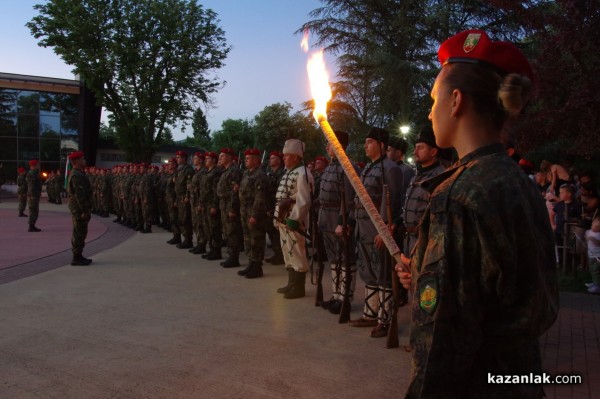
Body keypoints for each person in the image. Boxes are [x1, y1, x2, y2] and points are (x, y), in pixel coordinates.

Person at [395, 29, 558, 398]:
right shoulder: (516, 179)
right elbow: (497, 287)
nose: (429, 109)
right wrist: (424, 272)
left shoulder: (457, 196)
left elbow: (441, 342)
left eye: (434, 98)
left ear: (455, 101)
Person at [349, 127, 404, 338]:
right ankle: (371, 313)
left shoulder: (390, 168)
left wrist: (384, 230)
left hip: (378, 230)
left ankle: (385, 319)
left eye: (370, 141)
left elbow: (391, 202)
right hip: (363, 228)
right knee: (368, 272)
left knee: (383, 275)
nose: (365, 145)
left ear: (381, 145)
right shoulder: (368, 169)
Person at [317, 130, 358, 314]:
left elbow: (349, 199)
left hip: (338, 218)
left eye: (330, 144)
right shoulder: (330, 167)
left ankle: (345, 299)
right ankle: (336, 295)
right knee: (334, 259)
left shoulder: (348, 167)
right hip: (326, 218)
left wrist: (344, 221)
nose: (327, 147)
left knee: (345, 259)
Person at [274, 139, 314, 299]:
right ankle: (291, 283)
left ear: (296, 157)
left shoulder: (304, 173)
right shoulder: (289, 172)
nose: (284, 158)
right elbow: (281, 197)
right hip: (283, 220)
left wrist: (295, 218)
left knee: (297, 252)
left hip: (294, 221)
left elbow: (304, 199)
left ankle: (299, 288)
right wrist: (277, 218)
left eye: (287, 156)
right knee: (287, 251)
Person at [400, 126, 446, 256]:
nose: (415, 152)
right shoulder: (416, 176)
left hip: (426, 244)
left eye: (420, 147)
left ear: (433, 152)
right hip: (409, 240)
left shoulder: (440, 176)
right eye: (415, 147)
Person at [237, 148, 269, 278]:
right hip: (245, 211)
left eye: (248, 158)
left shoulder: (260, 175)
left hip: (254, 212)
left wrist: (254, 215)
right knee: (248, 239)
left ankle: (257, 267)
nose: (246, 160)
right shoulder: (246, 173)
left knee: (256, 239)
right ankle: (251, 263)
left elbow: (260, 197)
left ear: (256, 160)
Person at [217, 148, 243, 268]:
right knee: (227, 231)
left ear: (229, 157)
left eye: (222, 156)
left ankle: (234, 257)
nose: (220, 158)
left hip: (230, 205)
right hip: (224, 204)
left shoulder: (233, 171)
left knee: (232, 231)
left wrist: (232, 208)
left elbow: (234, 192)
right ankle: (231, 255)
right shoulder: (226, 171)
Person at [67, 152, 93, 266]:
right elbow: (80, 196)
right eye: (83, 159)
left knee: (79, 232)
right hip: (79, 210)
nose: (85, 160)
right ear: (77, 161)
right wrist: (84, 211)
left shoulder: (78, 173)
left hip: (77, 209)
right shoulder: (77, 175)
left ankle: (78, 255)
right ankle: (76, 257)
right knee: (79, 233)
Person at [264, 151, 285, 265]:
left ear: (278, 160)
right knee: (270, 230)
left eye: (273, 158)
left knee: (276, 231)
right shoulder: (268, 173)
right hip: (268, 205)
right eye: (270, 158)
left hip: (276, 205)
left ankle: (280, 254)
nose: (270, 160)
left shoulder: (281, 173)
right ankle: (276, 252)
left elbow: (278, 190)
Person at [175, 151, 194, 249]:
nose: (177, 158)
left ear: (184, 158)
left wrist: (187, 196)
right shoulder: (179, 169)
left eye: (179, 157)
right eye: (177, 157)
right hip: (179, 198)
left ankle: (188, 240)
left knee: (185, 219)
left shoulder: (188, 169)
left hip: (184, 198)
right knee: (181, 219)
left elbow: (189, 184)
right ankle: (185, 239)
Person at [584, 216, 600, 294]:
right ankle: (594, 283)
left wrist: (594, 240)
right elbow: (586, 240)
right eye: (593, 225)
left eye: (597, 227)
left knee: (596, 270)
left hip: (597, 256)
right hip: (591, 255)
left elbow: (598, 243)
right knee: (592, 269)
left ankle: (597, 286)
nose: (594, 227)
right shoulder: (589, 232)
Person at [26, 159, 43, 232]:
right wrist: (34, 194)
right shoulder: (32, 173)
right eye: (37, 164)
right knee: (33, 210)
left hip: (34, 194)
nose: (38, 165)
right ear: (34, 165)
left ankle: (32, 225)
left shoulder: (34, 173)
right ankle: (31, 226)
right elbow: (32, 185)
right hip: (33, 195)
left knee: (34, 211)